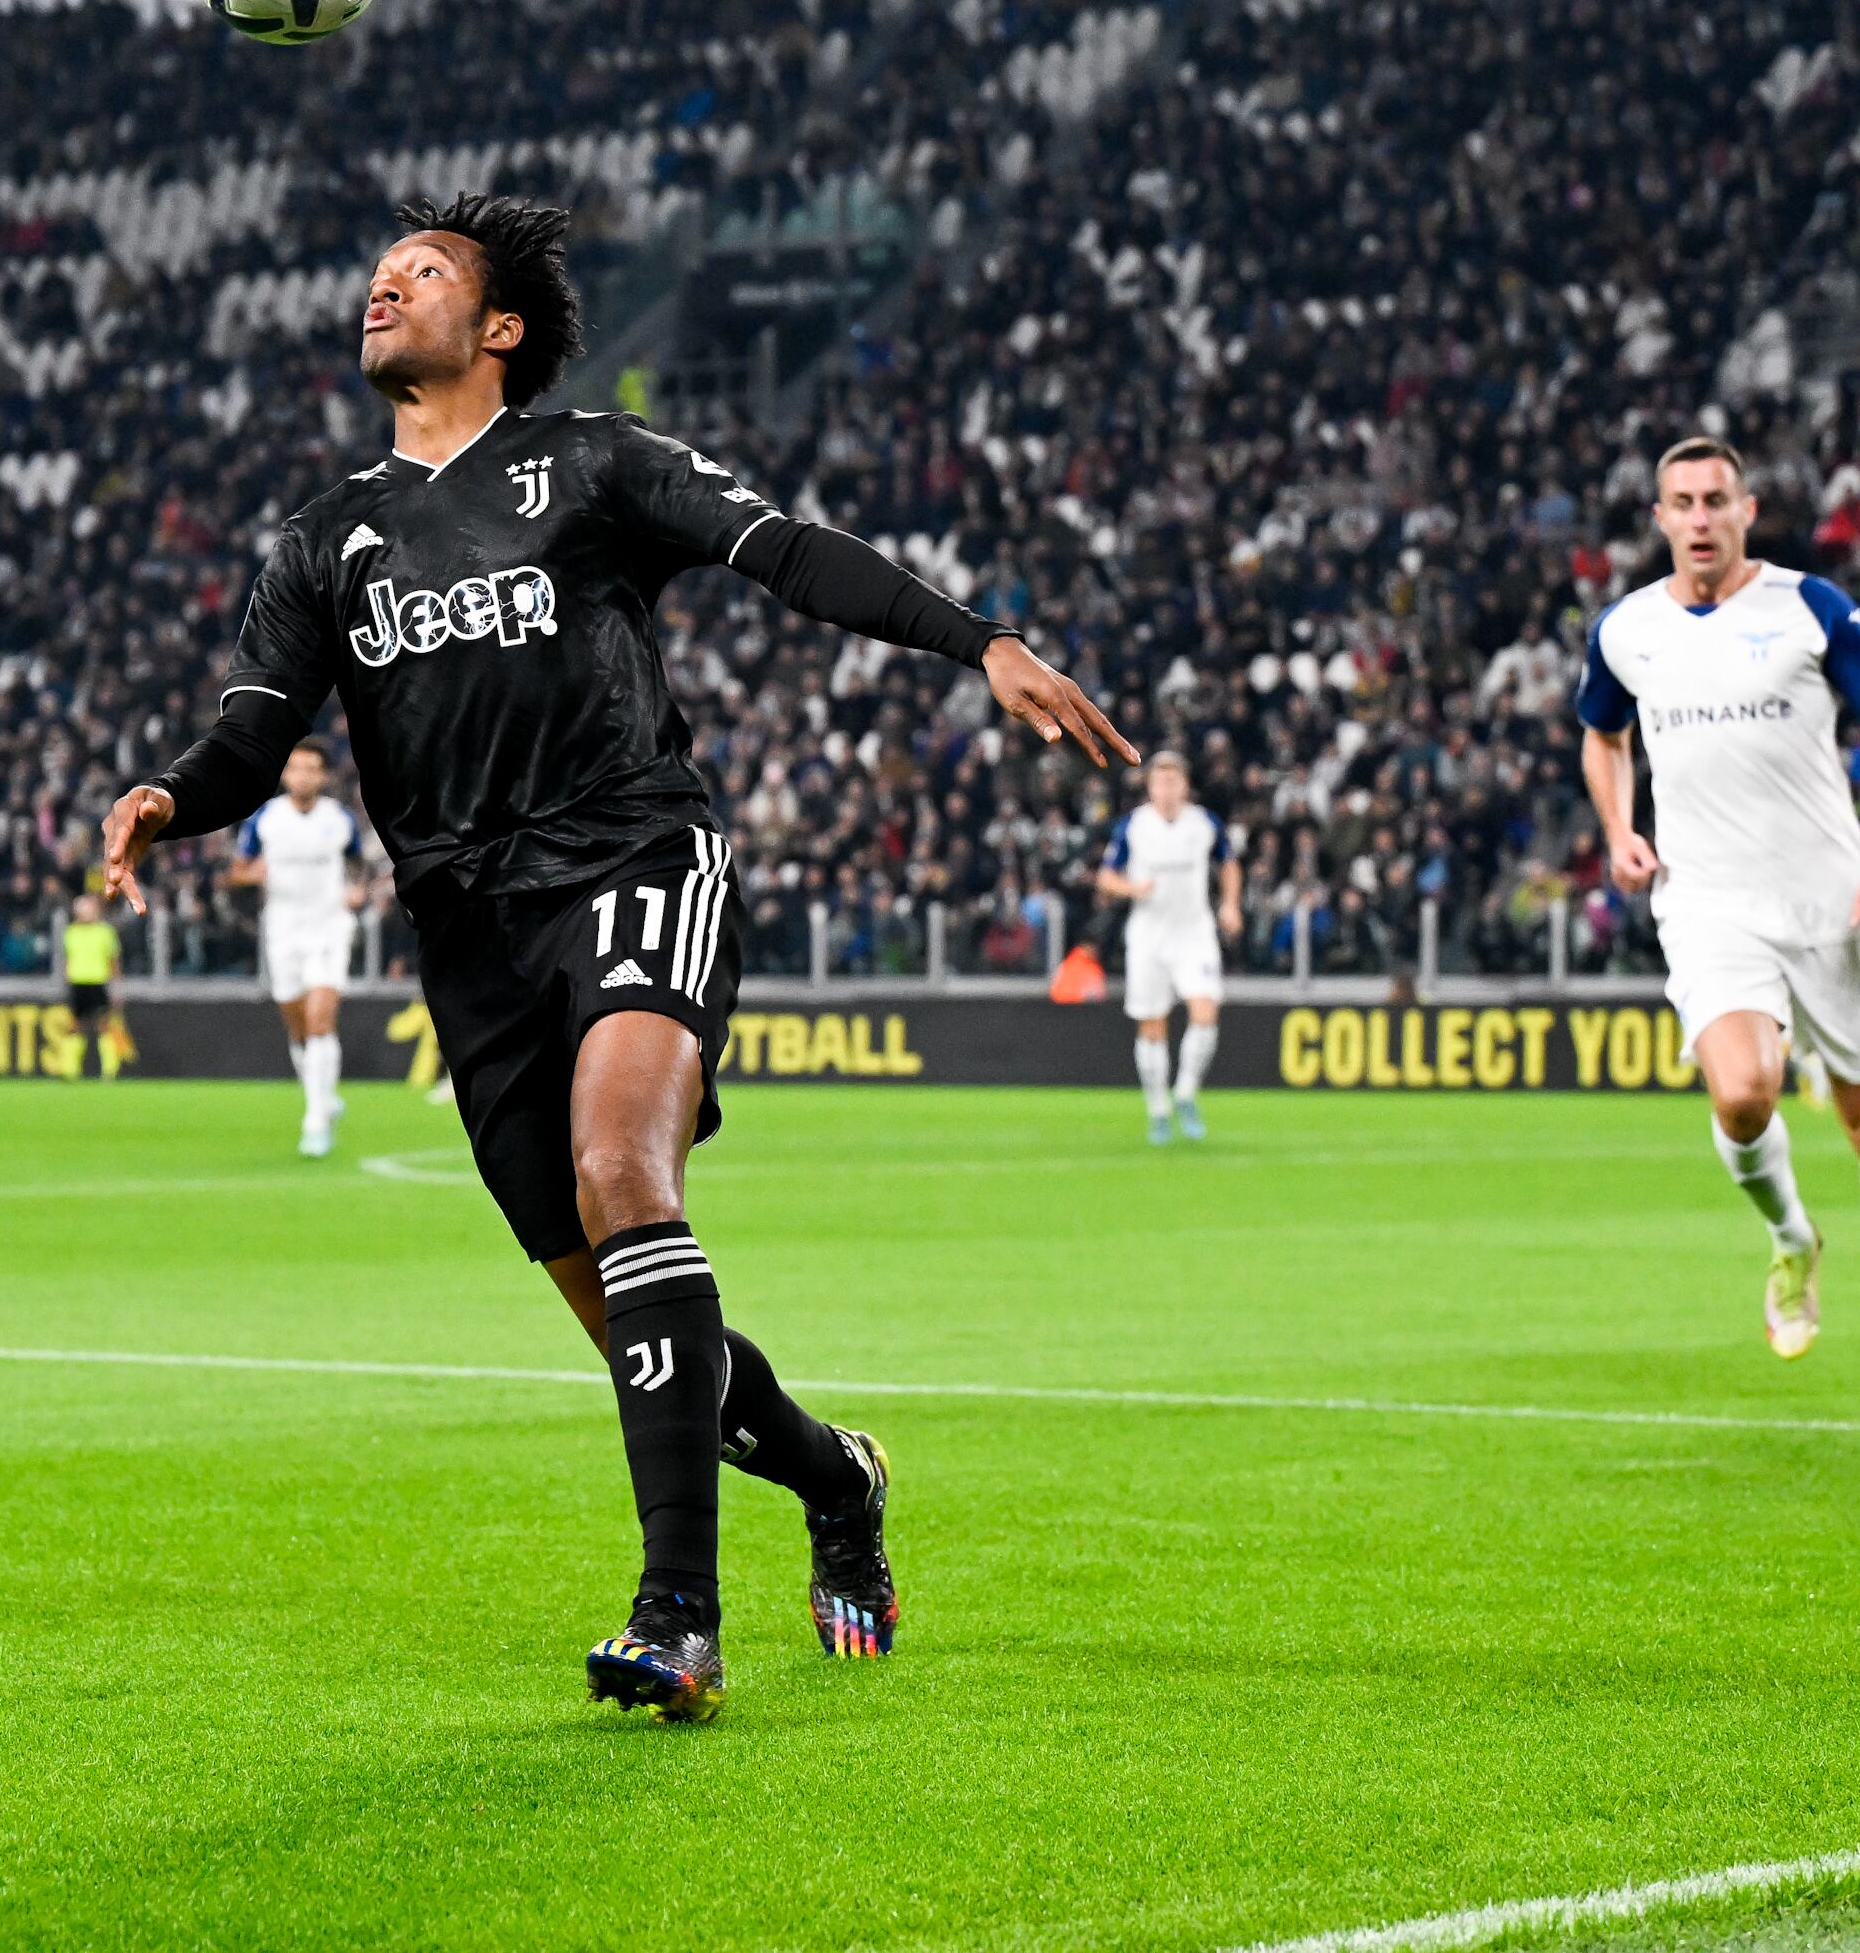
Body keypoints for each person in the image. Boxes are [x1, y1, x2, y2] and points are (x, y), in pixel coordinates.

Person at [100, 195, 1133, 1719]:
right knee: (629, 1318)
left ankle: (677, 1621)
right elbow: (261, 723)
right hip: (464, 930)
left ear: (497, 327)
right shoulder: (325, 536)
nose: (386, 287)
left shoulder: (592, 462)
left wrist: (973, 636)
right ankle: (831, 1473)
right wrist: (171, 796)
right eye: (380, 273)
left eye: (426, 272)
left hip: (631, 852)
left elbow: (781, 550)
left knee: (622, 1176)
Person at [1579, 437, 1860, 1402]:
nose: (1699, 519)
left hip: (1831, 906)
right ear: (1658, 518)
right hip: (1706, 902)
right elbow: (1601, 735)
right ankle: (1793, 1239)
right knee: (1742, 1093)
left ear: (1746, 511)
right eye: (1681, 503)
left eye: (1715, 500)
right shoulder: (1625, 630)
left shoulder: (1809, 608)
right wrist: (1618, 826)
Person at [231, 739, 369, 1154]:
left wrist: (357, 890)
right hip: (283, 929)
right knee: (297, 1025)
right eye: (294, 768)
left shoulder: (339, 820)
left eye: (311, 769)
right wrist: (251, 873)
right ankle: (323, 1096)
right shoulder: (265, 820)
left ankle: (315, 1119)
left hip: (328, 926)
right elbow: (237, 869)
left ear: (323, 776)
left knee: (320, 1019)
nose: (302, 776)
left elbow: (357, 862)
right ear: (285, 774)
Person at [1095, 750, 1239, 1144]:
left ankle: (1186, 1093)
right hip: (1149, 934)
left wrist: (1229, 903)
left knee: (1205, 1012)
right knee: (1153, 1023)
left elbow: (1228, 862)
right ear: (1150, 787)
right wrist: (1130, 888)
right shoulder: (1134, 827)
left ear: (1185, 785)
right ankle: (1158, 1109)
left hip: (1194, 932)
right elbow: (1106, 877)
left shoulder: (1203, 823)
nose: (1167, 788)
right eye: (1160, 781)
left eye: (1174, 781)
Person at [62, 887, 127, 1078]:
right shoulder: (71, 932)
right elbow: (66, 960)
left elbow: (113, 962)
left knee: (104, 1025)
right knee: (74, 1026)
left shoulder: (105, 932)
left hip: (99, 982)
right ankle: (70, 1070)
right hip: (77, 983)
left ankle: (109, 1071)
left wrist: (117, 988)